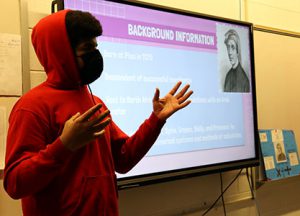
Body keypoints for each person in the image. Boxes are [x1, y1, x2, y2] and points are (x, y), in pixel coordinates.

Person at [3, 10, 193, 216]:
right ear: (61, 52)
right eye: (87, 48)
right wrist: (64, 146)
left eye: (96, 47)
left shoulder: (95, 102)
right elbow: (15, 184)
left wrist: (155, 120)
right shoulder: (31, 107)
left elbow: (123, 160)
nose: (95, 55)